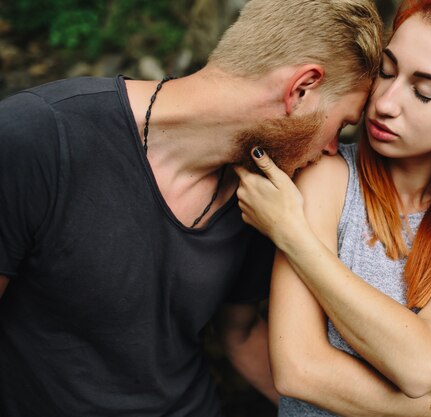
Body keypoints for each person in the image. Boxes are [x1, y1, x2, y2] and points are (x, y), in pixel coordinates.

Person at [0, 1, 388, 416]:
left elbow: (239, 335)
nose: (333, 149)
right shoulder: (38, 137)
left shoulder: (265, 196)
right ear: (301, 88)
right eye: (341, 124)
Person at [235, 0, 431, 415]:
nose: (386, 103)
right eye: (387, 71)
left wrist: (293, 235)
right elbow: (297, 370)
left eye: (424, 93)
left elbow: (419, 365)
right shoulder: (329, 176)